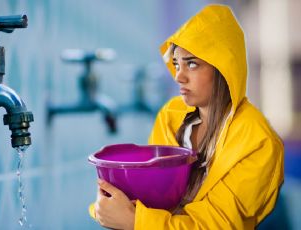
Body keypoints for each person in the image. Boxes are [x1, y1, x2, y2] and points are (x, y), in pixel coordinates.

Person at [89, 4, 284, 229]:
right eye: (176, 64)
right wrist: (111, 203)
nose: (179, 77)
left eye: (192, 64)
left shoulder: (259, 143)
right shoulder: (171, 116)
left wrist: (135, 221)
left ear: (224, 69)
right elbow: (155, 197)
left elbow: (219, 225)